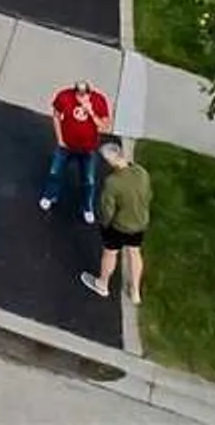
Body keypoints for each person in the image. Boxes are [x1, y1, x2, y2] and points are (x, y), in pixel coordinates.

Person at [83, 136, 151, 306]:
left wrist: (104, 224)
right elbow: (148, 194)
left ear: (109, 161)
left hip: (119, 226)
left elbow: (107, 210)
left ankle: (102, 284)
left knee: (110, 253)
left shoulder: (112, 182)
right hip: (139, 222)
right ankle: (135, 292)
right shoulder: (141, 172)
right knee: (134, 252)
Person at [40, 77, 112, 220]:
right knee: (55, 173)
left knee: (89, 181)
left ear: (89, 92)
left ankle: (87, 207)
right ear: (75, 91)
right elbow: (56, 115)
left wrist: (90, 111)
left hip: (88, 149)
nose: (81, 96)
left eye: (84, 93)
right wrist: (60, 139)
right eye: (79, 93)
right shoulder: (64, 96)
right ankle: (50, 195)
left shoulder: (99, 101)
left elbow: (104, 126)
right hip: (66, 146)